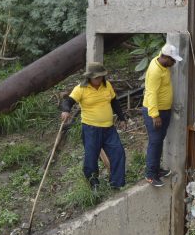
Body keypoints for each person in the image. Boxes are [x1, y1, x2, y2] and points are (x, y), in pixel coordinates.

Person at [60, 62, 127, 191]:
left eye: (101, 76)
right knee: (91, 158)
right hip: (91, 129)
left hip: (109, 128)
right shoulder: (80, 89)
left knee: (118, 153)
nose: (99, 79)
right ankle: (93, 184)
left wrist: (122, 118)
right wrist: (66, 110)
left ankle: (116, 184)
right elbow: (68, 101)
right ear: (89, 77)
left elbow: (114, 102)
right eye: (96, 77)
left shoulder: (107, 86)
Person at [142, 43, 183, 187]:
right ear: (165, 57)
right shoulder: (155, 71)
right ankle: (150, 175)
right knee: (155, 142)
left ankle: (156, 169)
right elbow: (151, 93)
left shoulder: (163, 66)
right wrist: (155, 115)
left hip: (164, 110)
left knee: (159, 141)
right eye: (172, 60)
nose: (174, 63)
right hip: (155, 112)